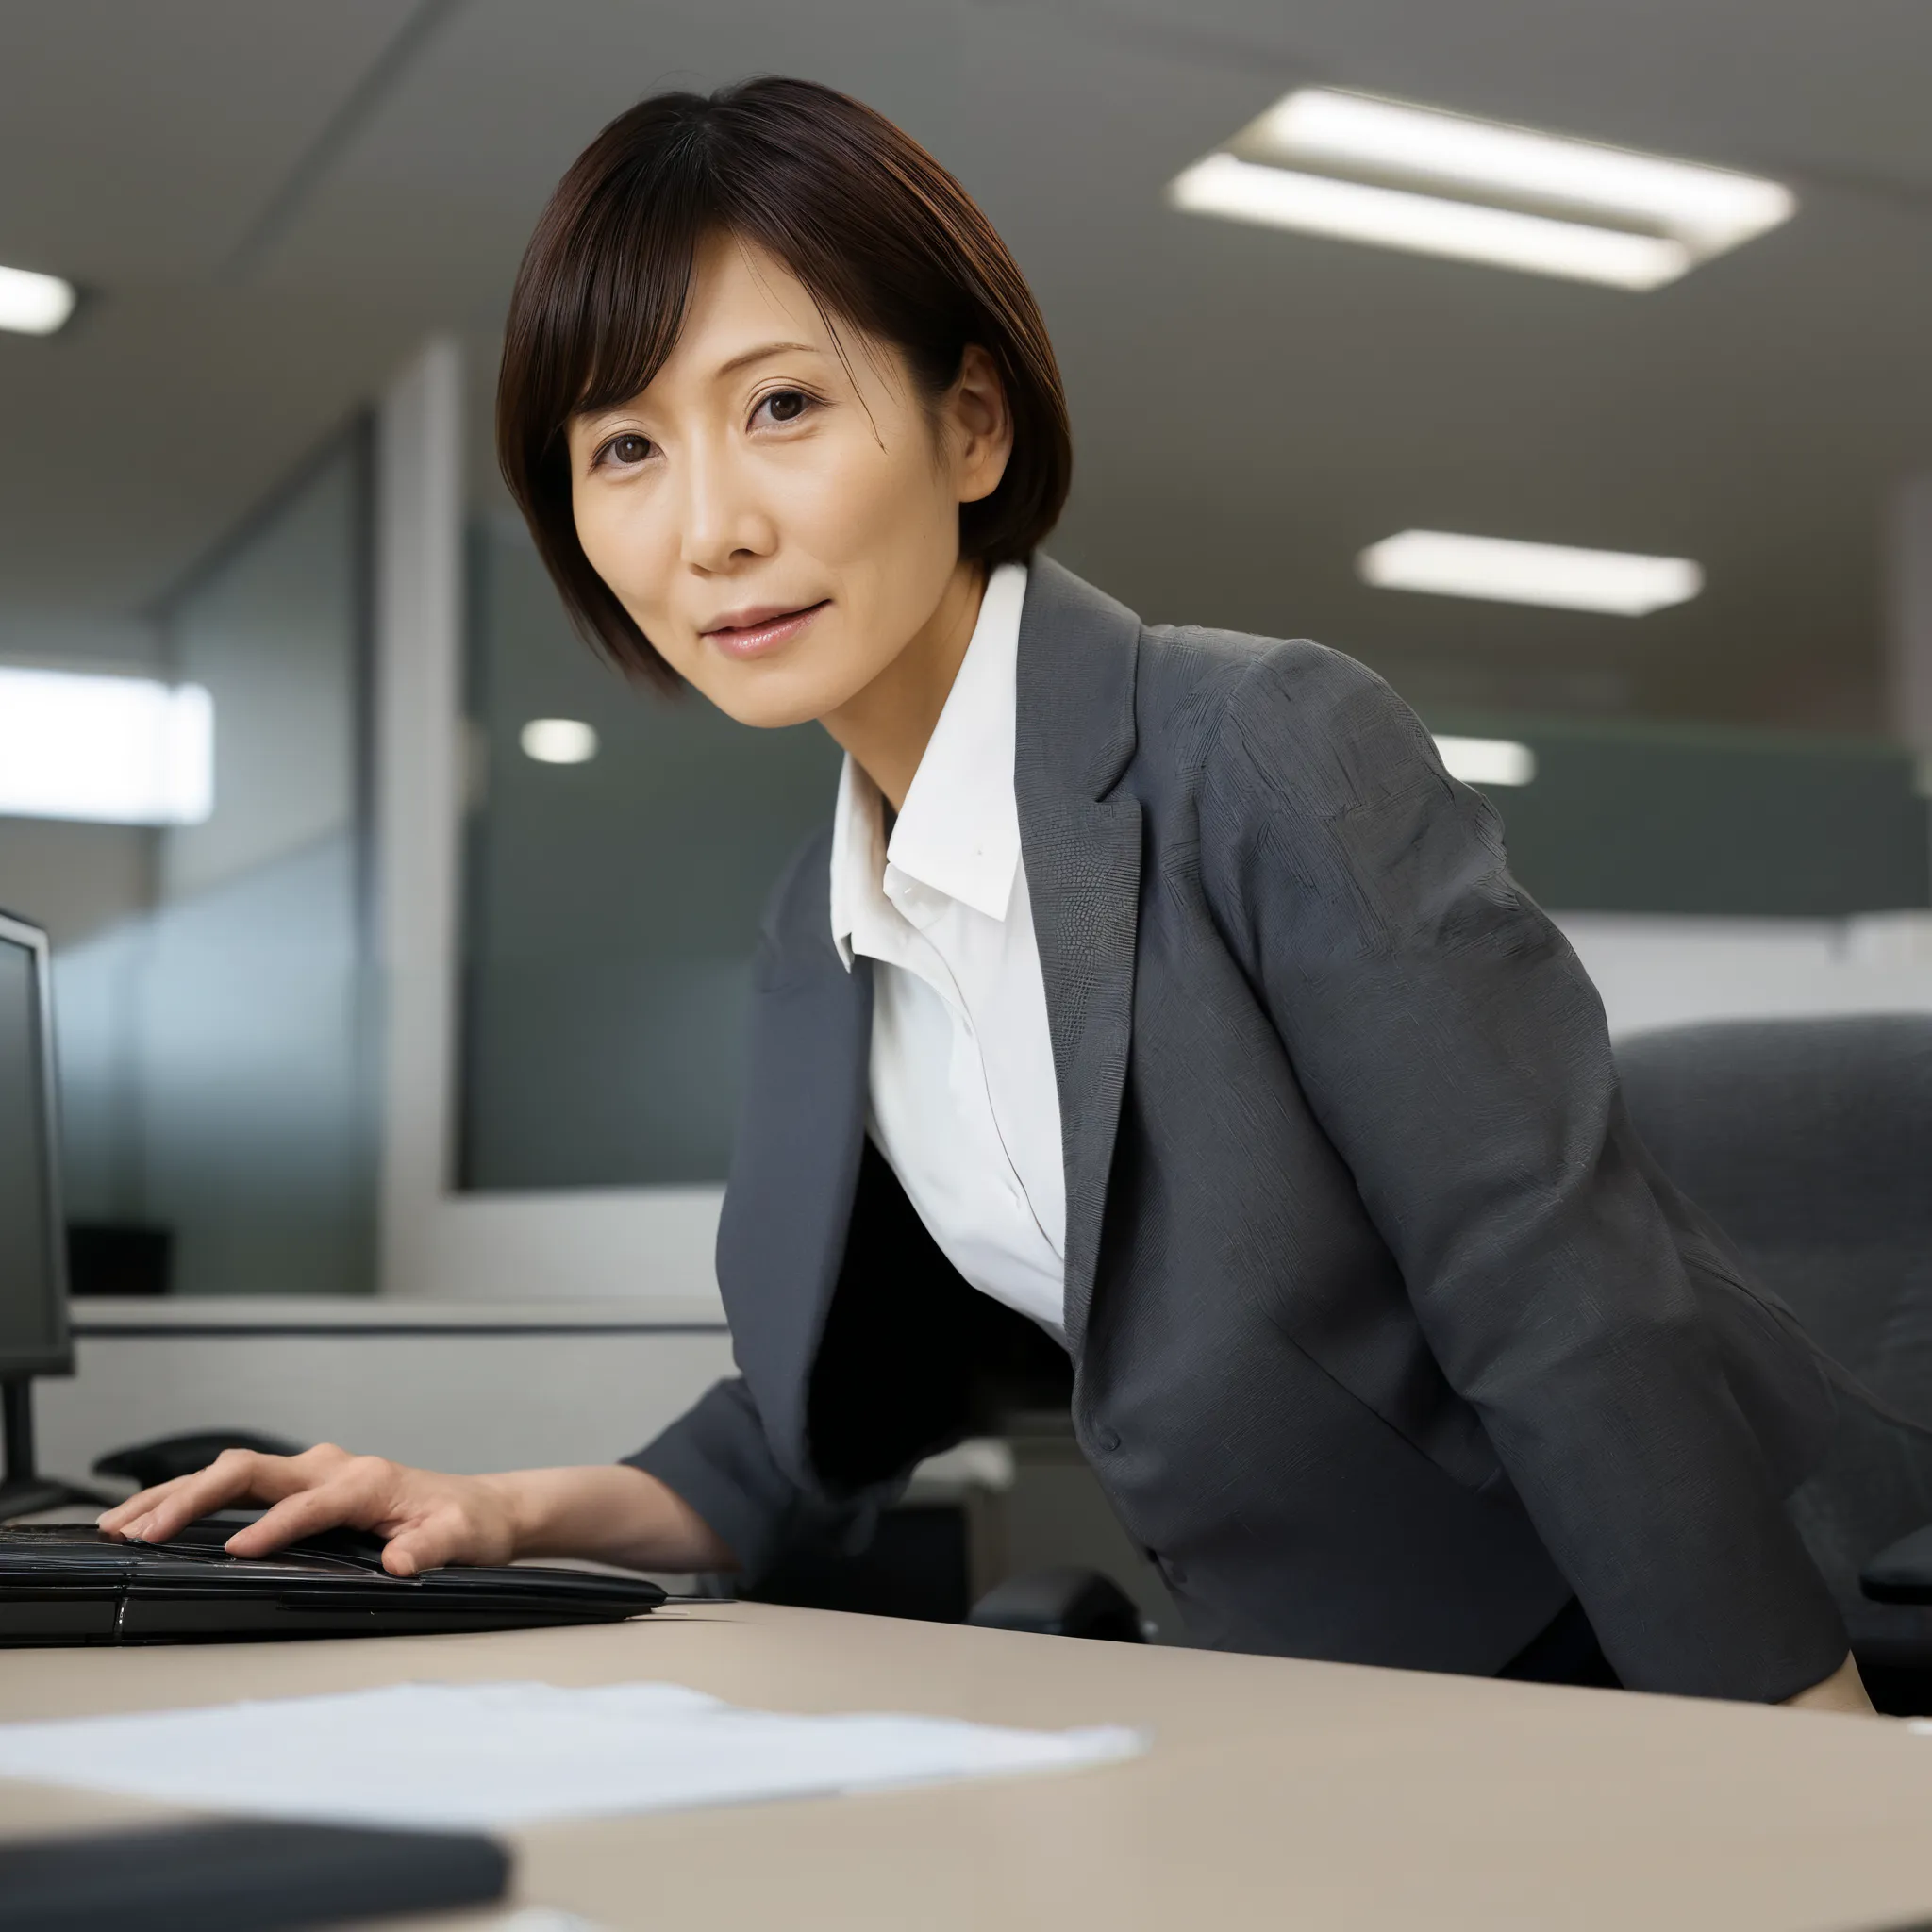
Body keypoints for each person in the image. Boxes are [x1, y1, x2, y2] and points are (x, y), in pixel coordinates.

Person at [102, 77, 1871, 1712]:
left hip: (1632, 1665)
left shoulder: (1252, 742)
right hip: (1314, 1707)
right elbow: (808, 1424)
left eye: (781, 405)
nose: (707, 526)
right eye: (624, 448)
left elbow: (1558, 1296)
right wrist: (483, 1507)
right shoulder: (829, 914)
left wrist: (1804, 1772)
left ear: (969, 425)